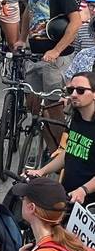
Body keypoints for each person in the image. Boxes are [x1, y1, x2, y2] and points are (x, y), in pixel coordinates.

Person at [25, 70, 95, 199]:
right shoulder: (77, 119)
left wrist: (84, 190)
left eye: (80, 90)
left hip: (88, 202)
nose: (73, 94)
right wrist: (41, 171)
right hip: (69, 195)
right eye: (70, 90)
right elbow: (68, 153)